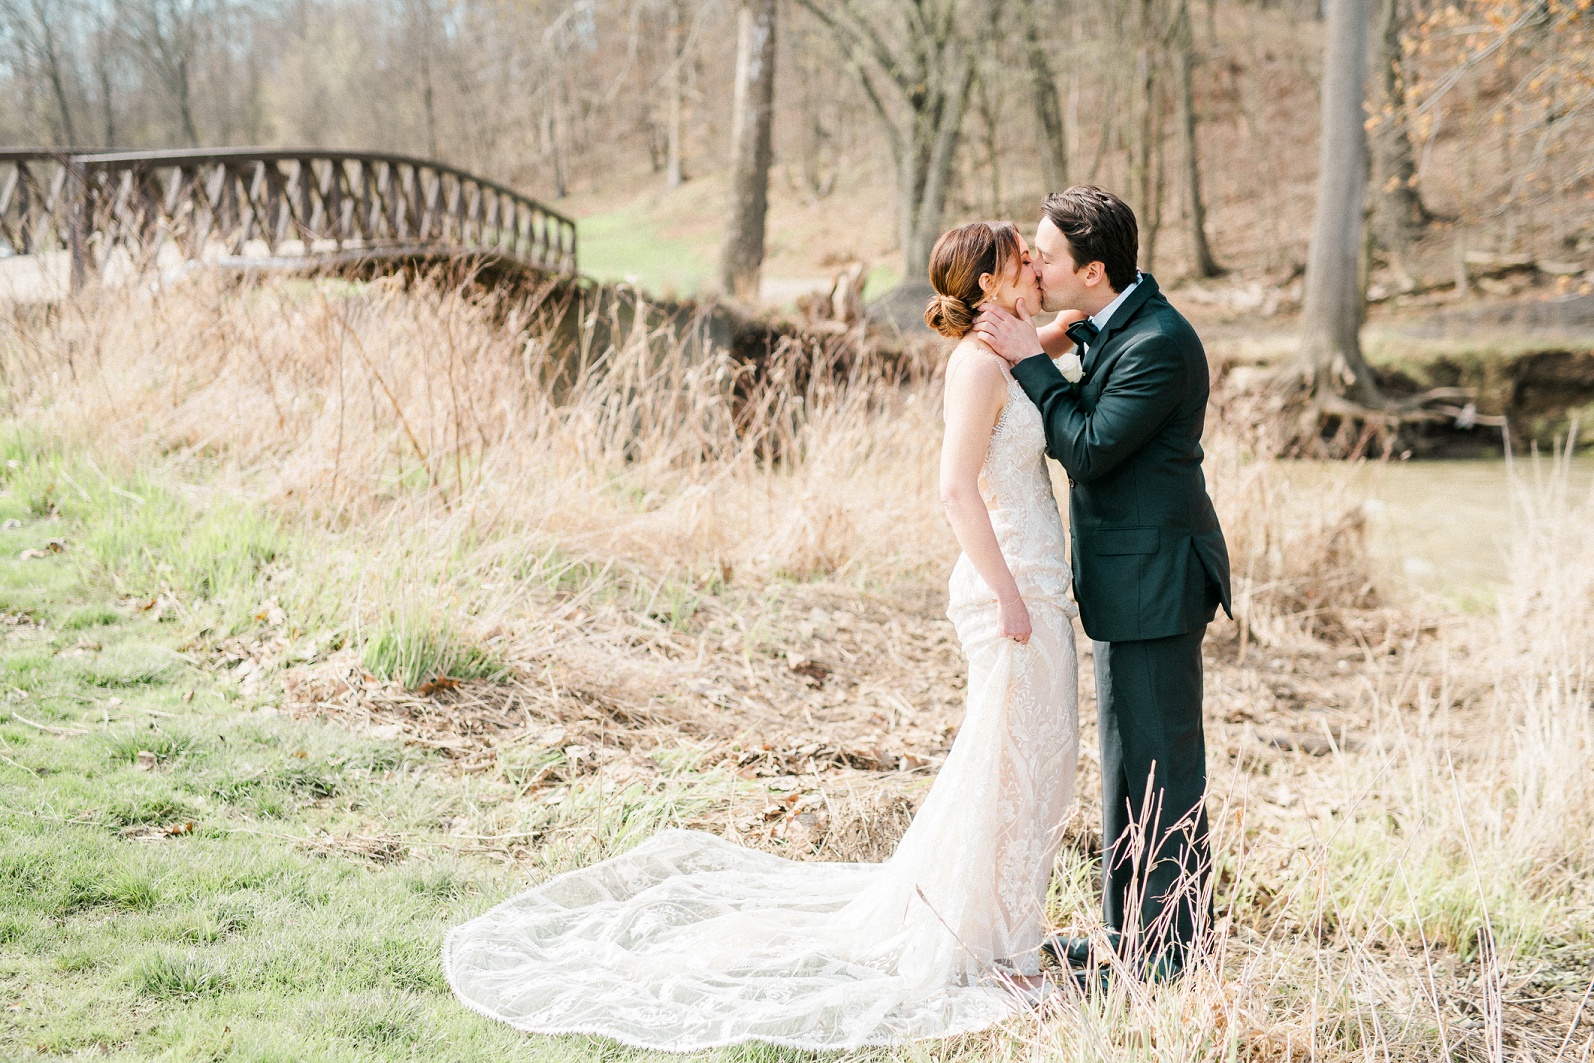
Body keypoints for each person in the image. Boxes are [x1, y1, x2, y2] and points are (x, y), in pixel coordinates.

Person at [442, 221, 1081, 1051]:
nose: (1033, 261)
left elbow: (1045, 350)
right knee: (1007, 771)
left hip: (1038, 580)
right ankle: (995, 949)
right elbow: (955, 491)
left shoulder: (1008, 352)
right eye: (1020, 256)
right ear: (988, 284)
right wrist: (1006, 595)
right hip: (1012, 589)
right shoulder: (976, 367)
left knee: (1031, 767)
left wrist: (1077, 321)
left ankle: (997, 932)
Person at [972, 185, 1232, 982]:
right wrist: (1039, 343)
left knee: (1161, 773)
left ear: (1092, 270)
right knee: (1130, 768)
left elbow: (1085, 448)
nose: (1033, 266)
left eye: (1046, 257)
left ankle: (1166, 957)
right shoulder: (1113, 319)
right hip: (1128, 584)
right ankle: (1132, 937)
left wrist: (1028, 358)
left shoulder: (1158, 342)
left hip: (1157, 584)